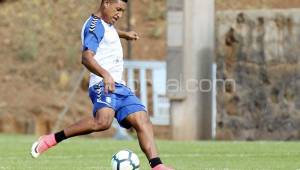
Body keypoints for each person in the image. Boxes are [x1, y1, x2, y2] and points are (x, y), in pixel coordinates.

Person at [30, 0, 174, 170]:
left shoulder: (106, 24)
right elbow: (86, 57)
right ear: (106, 3)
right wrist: (105, 74)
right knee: (103, 122)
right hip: (102, 84)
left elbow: (107, 32)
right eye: (118, 9)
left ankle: (157, 166)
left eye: (122, 11)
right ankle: (51, 139)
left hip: (119, 85)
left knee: (142, 119)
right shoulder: (94, 26)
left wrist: (123, 34)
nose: (119, 14)